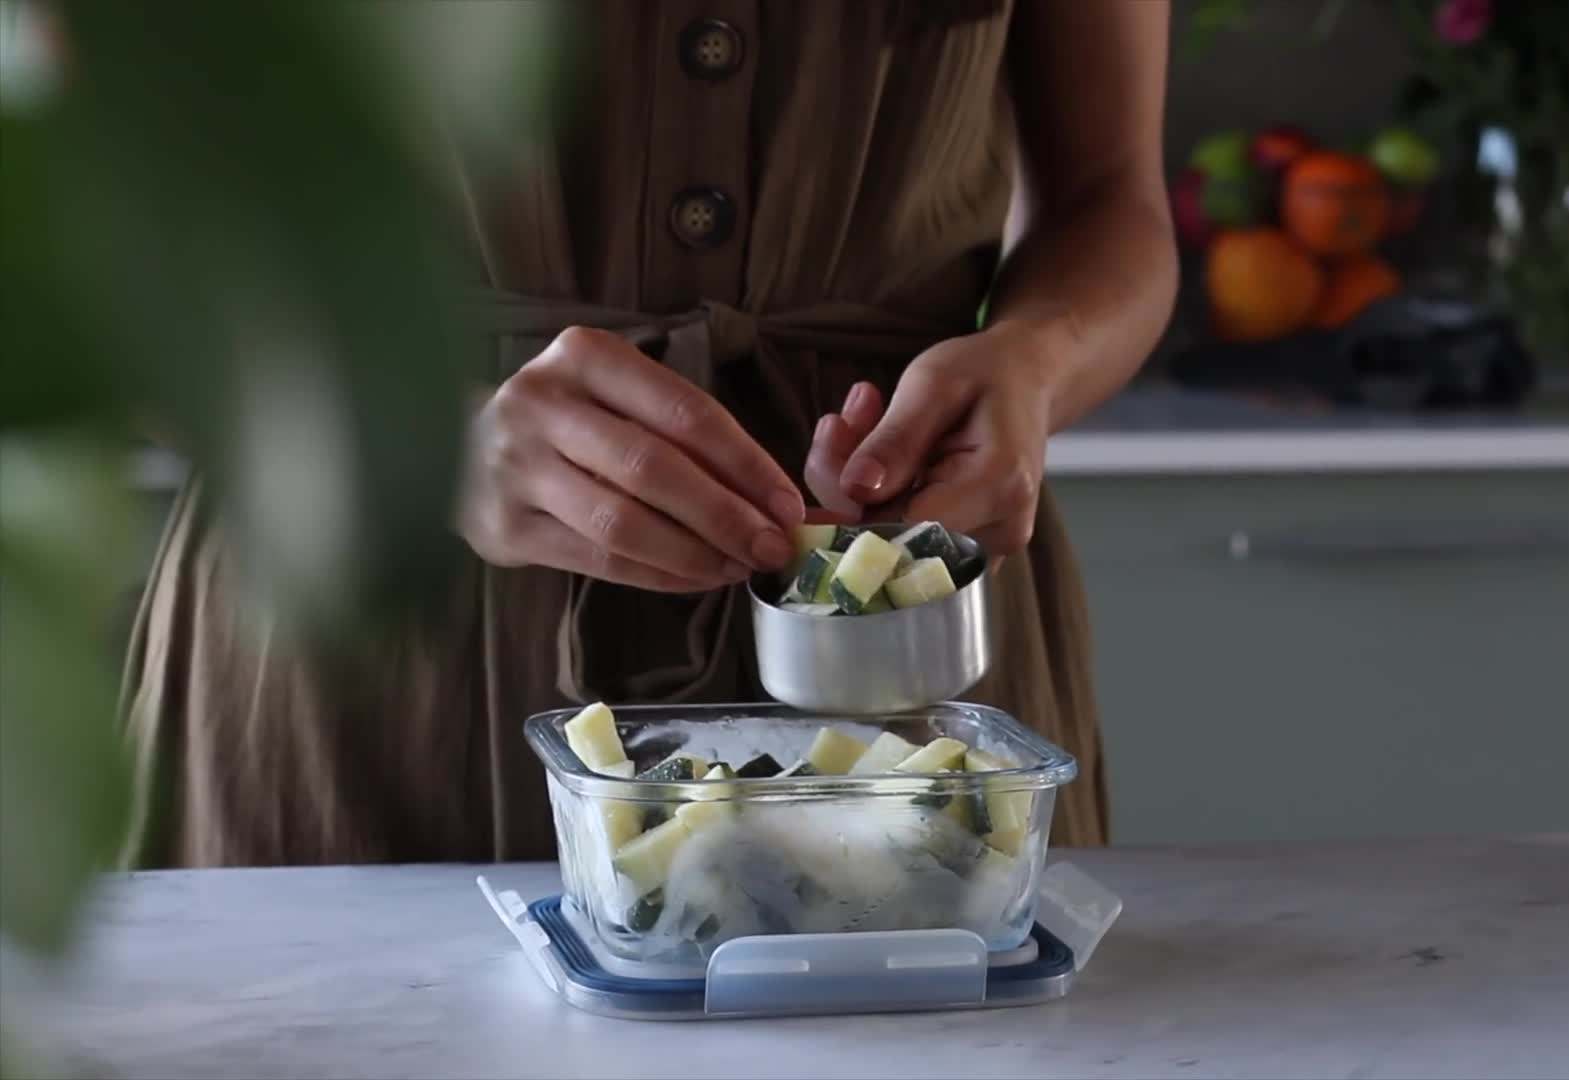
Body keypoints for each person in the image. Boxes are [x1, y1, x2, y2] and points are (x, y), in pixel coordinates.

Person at [121, 0, 1176, 866]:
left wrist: (1038, 361)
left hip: (902, 653)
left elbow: (1107, 199)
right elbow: (94, 243)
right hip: (360, 672)